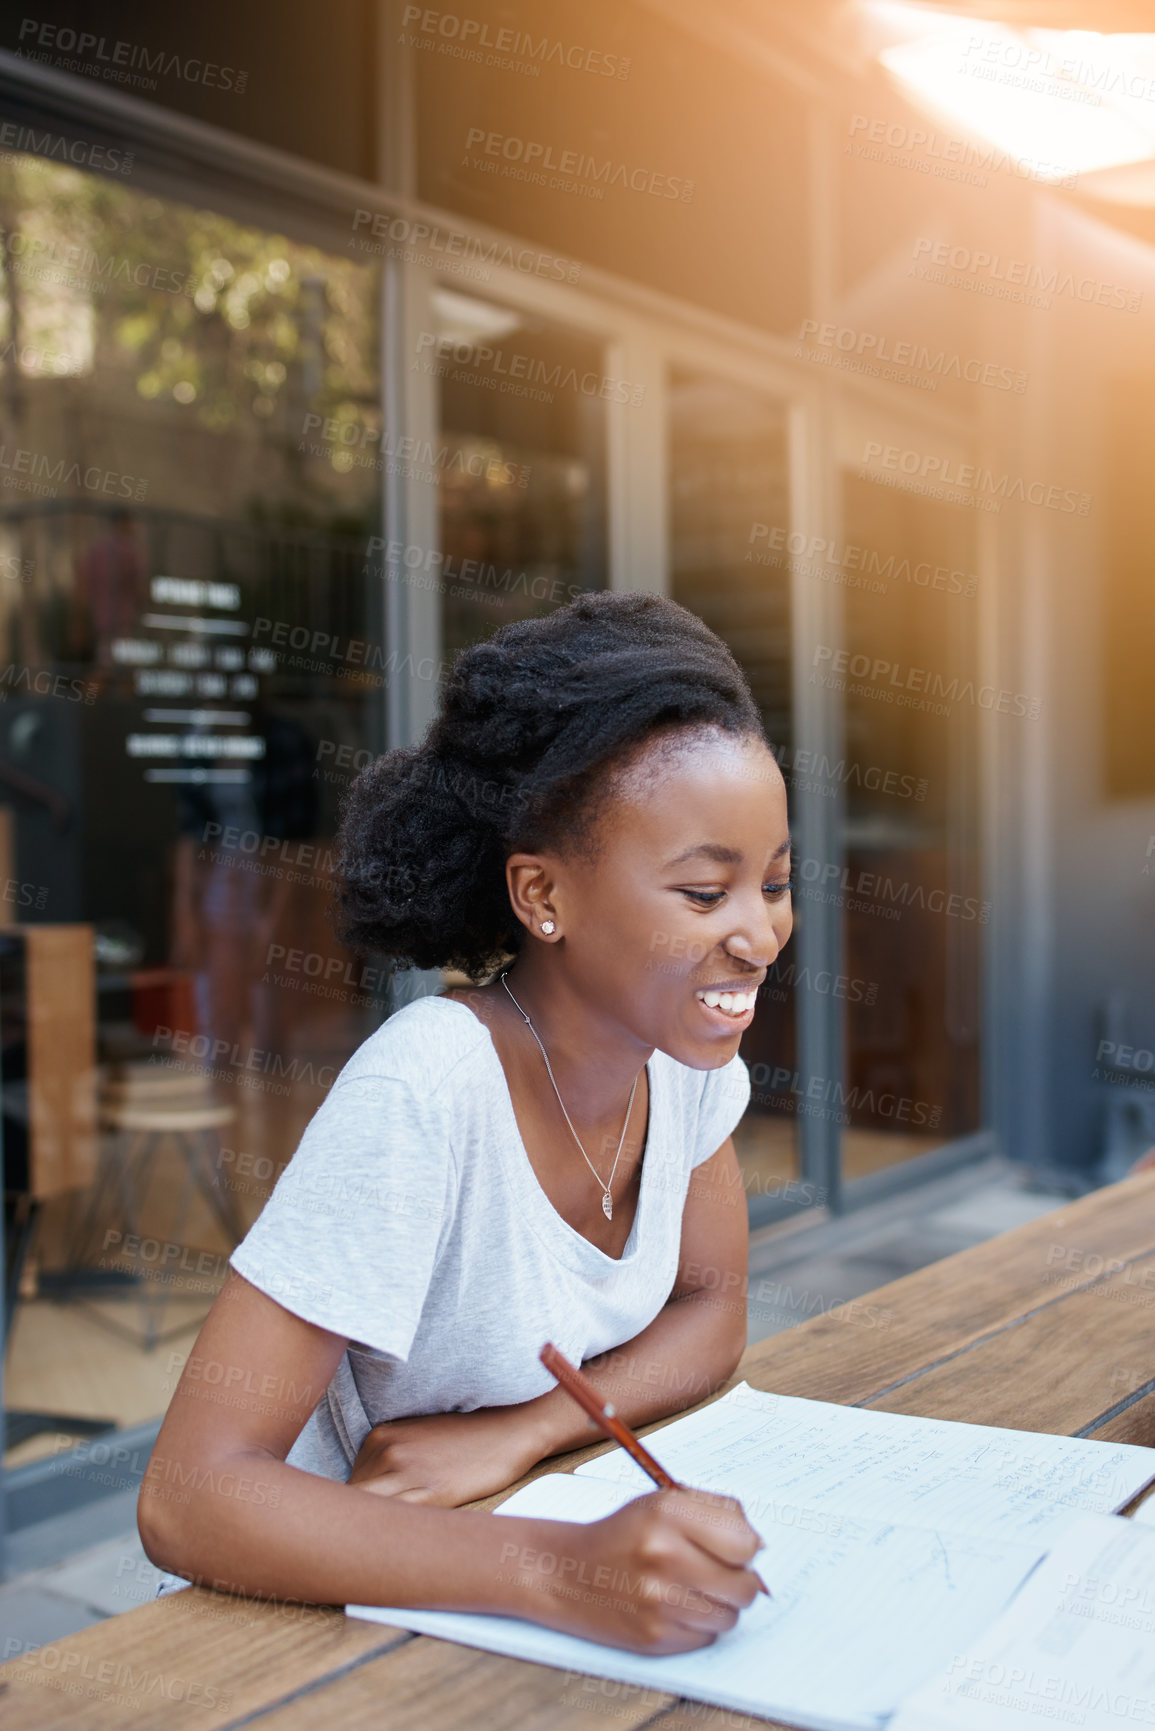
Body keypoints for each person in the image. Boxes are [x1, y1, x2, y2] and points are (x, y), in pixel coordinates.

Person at [139, 589, 794, 1655]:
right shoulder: (426, 1091)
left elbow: (713, 1309)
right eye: (703, 892)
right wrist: (565, 1571)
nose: (761, 936)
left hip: (472, 1589)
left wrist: (522, 1433)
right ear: (545, 896)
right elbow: (187, 1496)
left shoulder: (677, 1056)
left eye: (772, 883)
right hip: (283, 1638)